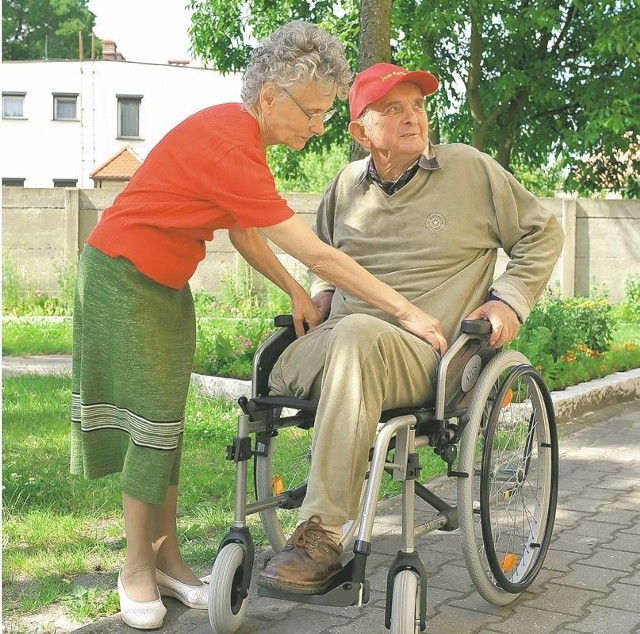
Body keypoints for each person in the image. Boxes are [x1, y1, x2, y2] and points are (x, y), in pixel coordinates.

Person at [70, 26, 444, 630]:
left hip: (162, 284)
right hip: (121, 278)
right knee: (149, 426)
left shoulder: (242, 139)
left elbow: (245, 231)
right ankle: (135, 566)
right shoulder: (229, 142)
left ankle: (167, 562)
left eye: (326, 114)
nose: (319, 127)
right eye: (313, 112)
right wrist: (405, 310)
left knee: (166, 421)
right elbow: (320, 253)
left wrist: (295, 291)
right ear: (270, 96)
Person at [258, 62, 565, 595]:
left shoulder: (469, 170)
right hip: (337, 346)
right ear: (359, 131)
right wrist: (321, 290)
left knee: (358, 336)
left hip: (427, 355)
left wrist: (509, 302)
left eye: (418, 106)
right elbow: (322, 252)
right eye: (393, 108)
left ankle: (323, 531)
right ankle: (263, 532)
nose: (412, 118)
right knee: (296, 351)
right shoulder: (346, 187)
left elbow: (543, 232)